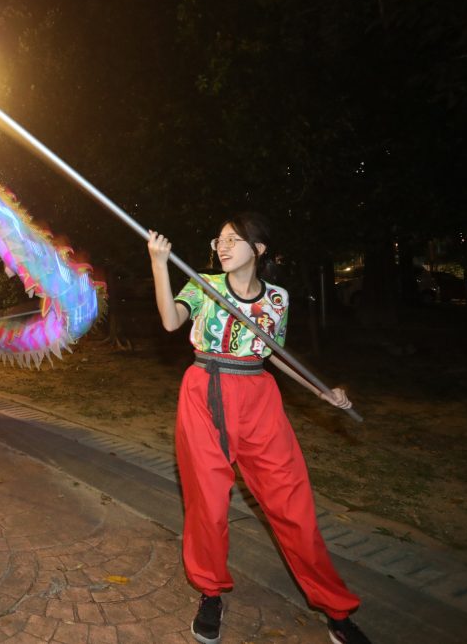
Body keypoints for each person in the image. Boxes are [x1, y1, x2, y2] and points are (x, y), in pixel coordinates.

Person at [147, 213, 371, 644]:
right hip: (205, 393)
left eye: (235, 239)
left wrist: (320, 392)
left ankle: (336, 610)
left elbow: (273, 355)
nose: (223, 246)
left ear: (260, 249)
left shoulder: (278, 299)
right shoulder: (202, 284)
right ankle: (210, 593)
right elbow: (171, 323)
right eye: (220, 239)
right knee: (209, 506)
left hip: (259, 399)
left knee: (294, 509)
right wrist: (159, 263)